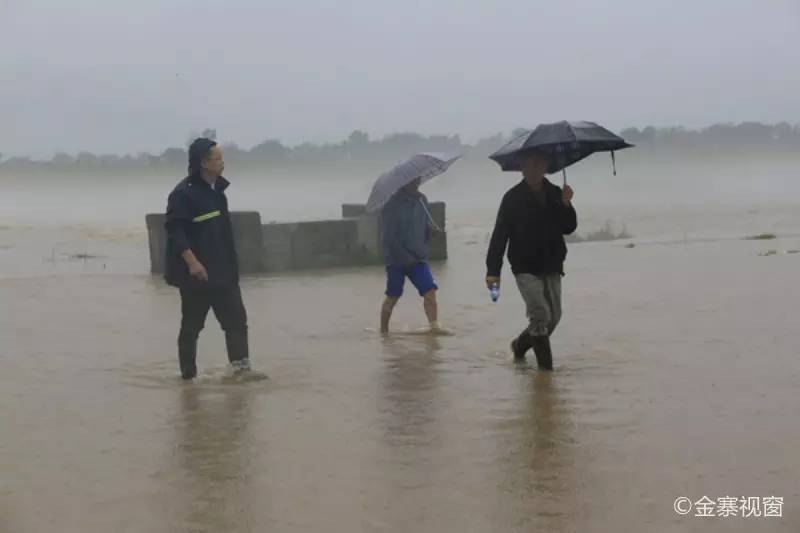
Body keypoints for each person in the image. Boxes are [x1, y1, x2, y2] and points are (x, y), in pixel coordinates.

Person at [164, 138, 251, 380]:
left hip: (224, 272)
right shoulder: (183, 194)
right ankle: (188, 379)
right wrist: (192, 263)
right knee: (192, 327)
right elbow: (175, 231)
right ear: (204, 162)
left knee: (236, 323)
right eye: (218, 158)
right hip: (197, 275)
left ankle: (241, 372)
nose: (223, 163)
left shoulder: (217, 191)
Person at [485, 150, 577, 370]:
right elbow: (500, 235)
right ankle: (546, 376)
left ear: (546, 166)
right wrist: (493, 270)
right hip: (524, 265)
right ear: (522, 168)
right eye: (530, 165)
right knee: (539, 314)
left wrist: (567, 204)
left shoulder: (556, 193)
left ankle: (519, 346)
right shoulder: (511, 198)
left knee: (554, 317)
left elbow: (569, 227)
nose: (534, 169)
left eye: (539, 164)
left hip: (552, 262)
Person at [380, 177, 442, 334]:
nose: (417, 184)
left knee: (430, 291)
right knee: (393, 296)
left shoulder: (422, 200)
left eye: (418, 180)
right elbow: (387, 237)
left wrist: (430, 231)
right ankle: (383, 332)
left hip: (418, 257)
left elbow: (423, 228)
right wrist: (404, 257)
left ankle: (434, 328)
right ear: (403, 182)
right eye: (413, 181)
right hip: (396, 259)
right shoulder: (391, 204)